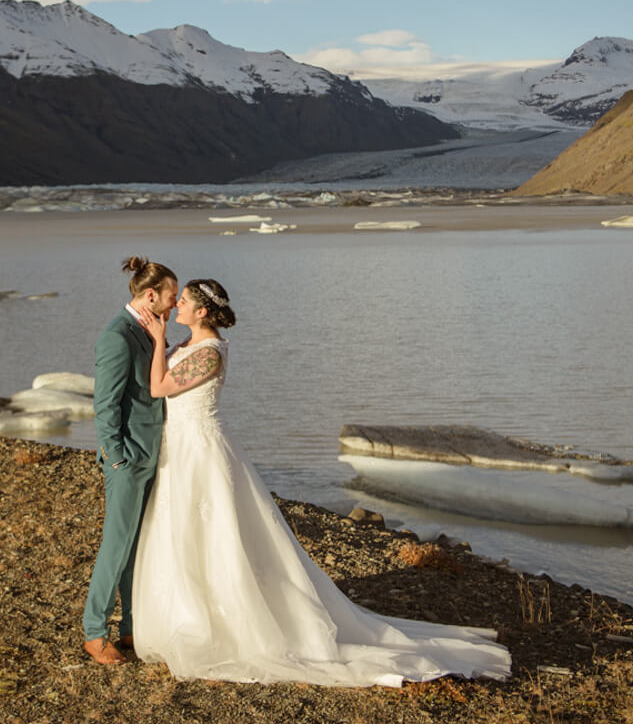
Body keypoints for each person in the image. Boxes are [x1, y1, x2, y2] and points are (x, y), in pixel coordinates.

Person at [129, 278, 511, 687]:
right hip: (181, 446)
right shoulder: (188, 344)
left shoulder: (210, 352)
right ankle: (184, 614)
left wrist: (158, 339)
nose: (178, 305)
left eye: (185, 301)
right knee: (181, 530)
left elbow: (159, 387)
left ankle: (224, 624)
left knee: (215, 534)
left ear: (203, 312)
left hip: (201, 450)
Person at [81, 256, 178, 665]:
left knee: (138, 546)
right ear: (151, 295)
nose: (175, 304)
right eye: (172, 296)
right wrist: (116, 458)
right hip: (128, 458)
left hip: (150, 454)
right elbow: (105, 405)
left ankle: (131, 628)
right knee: (117, 546)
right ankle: (94, 632)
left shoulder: (149, 330)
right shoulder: (117, 336)